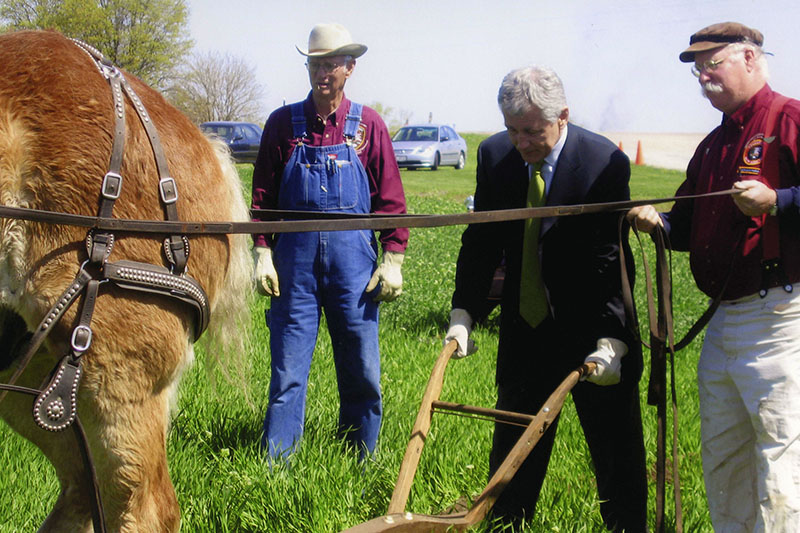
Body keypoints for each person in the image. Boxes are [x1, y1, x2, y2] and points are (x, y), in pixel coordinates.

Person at [445, 66, 647, 531]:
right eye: (513, 130)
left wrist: (612, 338)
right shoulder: (496, 155)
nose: (522, 142)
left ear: (563, 117)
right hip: (526, 332)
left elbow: (610, 258)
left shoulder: (602, 162)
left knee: (616, 458)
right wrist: (464, 312)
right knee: (513, 458)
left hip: (591, 333)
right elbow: (483, 243)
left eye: (533, 131)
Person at [627, 21, 800, 532]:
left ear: (750, 59)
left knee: (780, 468)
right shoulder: (712, 145)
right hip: (724, 322)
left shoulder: (789, 118)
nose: (703, 77)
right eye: (697, 70)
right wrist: (659, 222)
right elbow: (685, 224)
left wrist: (780, 201)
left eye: (712, 65)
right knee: (723, 461)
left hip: (780, 318)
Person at [251, 22, 408, 460]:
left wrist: (393, 257)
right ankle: (278, 463)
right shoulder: (283, 125)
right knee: (287, 370)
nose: (323, 73)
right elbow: (262, 197)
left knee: (361, 366)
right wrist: (262, 251)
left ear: (349, 67)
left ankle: (362, 456)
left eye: (331, 65)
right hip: (293, 268)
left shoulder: (368, 126)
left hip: (354, 267)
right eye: (315, 64)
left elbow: (391, 199)